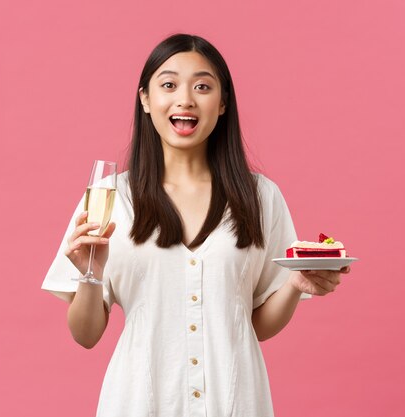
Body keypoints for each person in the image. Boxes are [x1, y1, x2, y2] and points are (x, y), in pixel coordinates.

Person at [42, 33, 350, 417]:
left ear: (222, 104)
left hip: (235, 402)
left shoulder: (260, 197)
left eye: (202, 86)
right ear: (145, 100)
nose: (185, 99)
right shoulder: (109, 197)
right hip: (139, 402)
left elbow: (253, 325)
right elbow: (86, 335)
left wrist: (294, 285)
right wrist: (90, 272)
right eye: (168, 85)